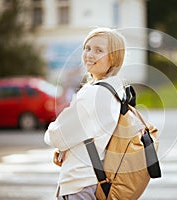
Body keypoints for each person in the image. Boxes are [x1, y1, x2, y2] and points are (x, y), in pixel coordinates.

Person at [44, 27, 126, 200]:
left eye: (99, 50)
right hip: (94, 179)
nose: (89, 54)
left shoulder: (92, 94)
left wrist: (60, 142)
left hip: (79, 183)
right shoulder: (116, 90)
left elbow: (56, 135)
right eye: (87, 48)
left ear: (114, 57)